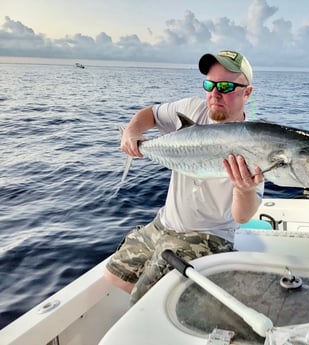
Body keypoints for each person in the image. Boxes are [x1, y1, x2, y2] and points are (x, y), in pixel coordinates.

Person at [104, 50, 265, 304]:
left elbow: (241, 216)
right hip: (164, 224)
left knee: (145, 301)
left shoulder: (255, 141)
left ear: (247, 92)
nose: (215, 93)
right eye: (209, 85)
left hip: (208, 236)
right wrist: (132, 132)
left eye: (225, 86)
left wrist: (244, 190)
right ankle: (192, 304)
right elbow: (152, 114)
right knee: (114, 275)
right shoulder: (193, 109)